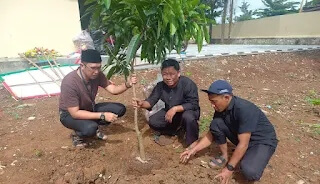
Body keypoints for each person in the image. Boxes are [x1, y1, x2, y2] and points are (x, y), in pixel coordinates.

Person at [180, 80, 278, 183]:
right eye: (211, 101)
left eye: (214, 101)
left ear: (226, 97)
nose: (212, 105)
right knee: (216, 123)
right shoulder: (221, 108)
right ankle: (224, 157)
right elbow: (211, 134)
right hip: (242, 137)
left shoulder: (244, 109)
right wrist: (193, 150)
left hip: (261, 141)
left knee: (250, 171)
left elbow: (243, 144)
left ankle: (259, 159)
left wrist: (228, 169)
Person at [59, 49, 136, 148]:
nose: (96, 71)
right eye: (93, 68)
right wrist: (103, 115)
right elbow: (75, 113)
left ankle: (92, 127)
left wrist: (127, 84)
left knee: (119, 109)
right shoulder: (69, 82)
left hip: (89, 107)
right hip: (69, 115)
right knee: (90, 128)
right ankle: (78, 134)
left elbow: (113, 90)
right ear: (82, 66)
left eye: (99, 67)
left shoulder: (97, 75)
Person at [133, 59, 200, 147]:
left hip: (187, 111)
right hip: (171, 113)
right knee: (154, 121)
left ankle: (192, 141)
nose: (168, 77)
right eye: (165, 74)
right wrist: (141, 104)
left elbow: (193, 103)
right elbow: (151, 101)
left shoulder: (188, 84)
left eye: (172, 74)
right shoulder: (160, 86)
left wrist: (175, 108)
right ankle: (176, 131)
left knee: (188, 117)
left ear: (178, 73)